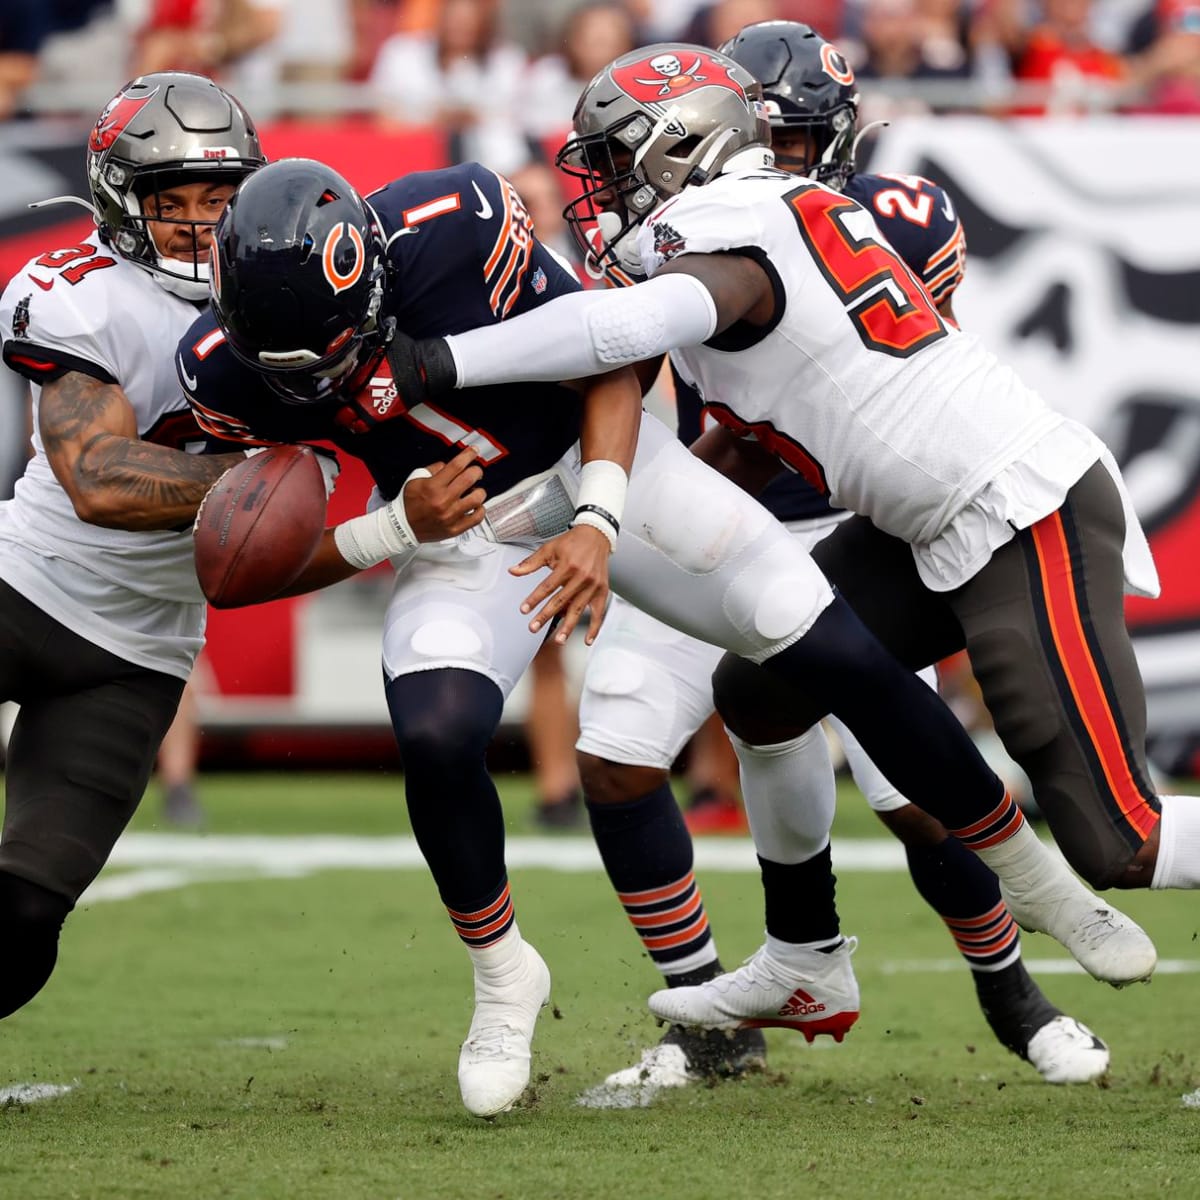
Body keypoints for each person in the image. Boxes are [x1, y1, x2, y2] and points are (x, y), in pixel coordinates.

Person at [177, 150, 1138, 1119]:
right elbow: (239, 570)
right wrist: (394, 528)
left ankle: (1029, 877)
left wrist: (597, 518)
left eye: (342, 350)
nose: (332, 380)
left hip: (609, 474)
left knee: (831, 645)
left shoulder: (457, 223)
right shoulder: (224, 361)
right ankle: (505, 976)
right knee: (437, 734)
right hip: (460, 535)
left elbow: (612, 360)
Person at [377, 38, 1169, 1037]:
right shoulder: (776, 210)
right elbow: (745, 450)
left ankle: (1041, 898)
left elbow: (616, 335)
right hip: (919, 523)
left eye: (616, 161)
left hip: (1017, 509)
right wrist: (584, 505)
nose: (602, 188)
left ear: (681, 151)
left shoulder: (730, 228)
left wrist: (431, 362)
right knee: (762, 684)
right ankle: (807, 960)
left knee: (1119, 843)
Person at [574, 19, 1112, 1091]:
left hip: (846, 530)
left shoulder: (886, 221)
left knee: (915, 791)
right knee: (621, 752)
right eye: (768, 139)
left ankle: (1012, 992)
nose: (784, 160)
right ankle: (719, 1023)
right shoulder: (671, 228)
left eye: (797, 139)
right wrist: (603, 505)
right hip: (714, 517)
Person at [0, 71, 266, 1023]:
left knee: (24, 922)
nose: (200, 223)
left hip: (136, 653)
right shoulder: (82, 296)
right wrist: (266, 488)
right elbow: (99, 481)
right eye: (172, 202)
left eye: (218, 197)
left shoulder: (296, 289)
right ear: (122, 202)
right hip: (23, 584)